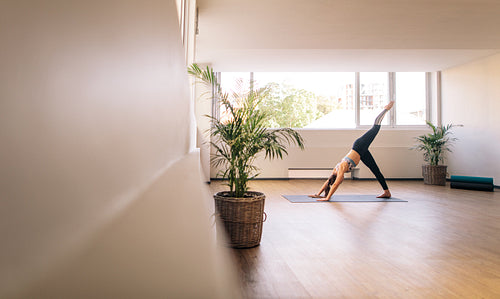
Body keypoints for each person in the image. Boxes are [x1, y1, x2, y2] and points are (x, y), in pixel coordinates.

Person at [309, 101, 394, 201]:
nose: (341, 180)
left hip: (359, 146)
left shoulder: (341, 168)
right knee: (375, 170)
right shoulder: (334, 173)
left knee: (375, 128)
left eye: (339, 179)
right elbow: (328, 183)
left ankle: (386, 109)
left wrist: (327, 198)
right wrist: (318, 194)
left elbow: (336, 183)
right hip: (362, 153)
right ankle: (387, 192)